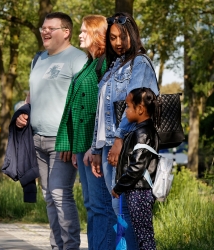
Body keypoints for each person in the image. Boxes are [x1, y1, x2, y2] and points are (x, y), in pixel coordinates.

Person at [16, 12, 87, 250]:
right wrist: (22, 112)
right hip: (37, 139)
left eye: (50, 28)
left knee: (60, 195)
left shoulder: (78, 59)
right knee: (48, 197)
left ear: (66, 32)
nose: (44, 31)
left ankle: (70, 247)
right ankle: (56, 246)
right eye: (42, 28)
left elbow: (83, 103)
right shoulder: (38, 59)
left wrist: (75, 142)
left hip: (62, 141)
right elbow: (30, 96)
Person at [90, 12, 159, 249]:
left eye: (122, 37)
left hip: (126, 146)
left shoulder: (139, 63)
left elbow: (136, 107)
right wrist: (96, 148)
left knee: (125, 212)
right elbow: (102, 112)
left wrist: (118, 140)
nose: (118, 43)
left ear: (133, 34)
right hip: (109, 144)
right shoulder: (114, 66)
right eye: (112, 38)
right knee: (114, 209)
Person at [55, 15, 115, 249]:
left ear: (98, 35)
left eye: (84, 31)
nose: (79, 35)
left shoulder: (105, 64)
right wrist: (73, 145)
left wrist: (95, 146)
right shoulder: (90, 63)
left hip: (95, 147)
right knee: (91, 205)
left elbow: (105, 109)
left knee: (101, 206)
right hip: (84, 147)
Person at [112, 87, 159, 250]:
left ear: (140, 109)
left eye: (128, 106)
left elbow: (137, 166)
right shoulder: (142, 130)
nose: (125, 111)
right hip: (138, 191)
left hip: (140, 192)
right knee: (142, 234)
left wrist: (119, 186)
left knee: (144, 236)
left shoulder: (143, 133)